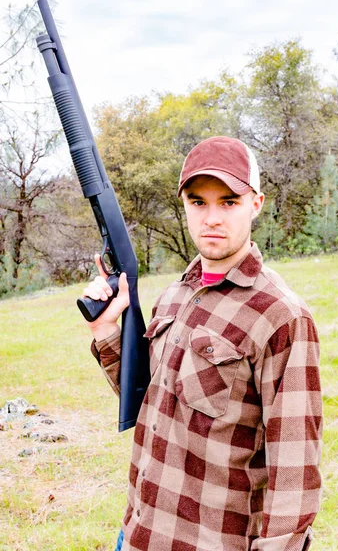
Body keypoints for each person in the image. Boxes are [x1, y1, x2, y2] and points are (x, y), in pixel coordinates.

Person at [83, 136, 323, 551]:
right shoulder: (174, 296)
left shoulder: (281, 316)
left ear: (256, 204)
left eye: (228, 202)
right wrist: (106, 331)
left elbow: (295, 471)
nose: (212, 217)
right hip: (139, 531)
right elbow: (149, 401)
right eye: (198, 202)